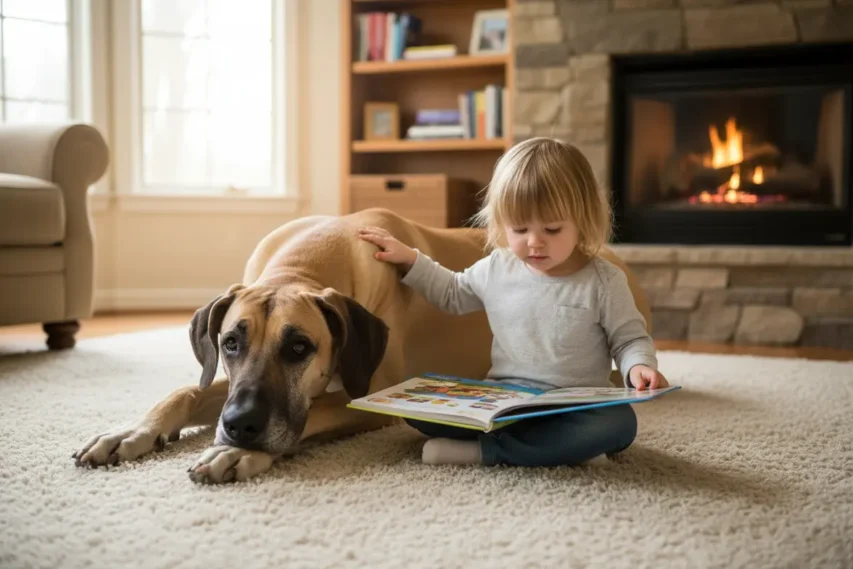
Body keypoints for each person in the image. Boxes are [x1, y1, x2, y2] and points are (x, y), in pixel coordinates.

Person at [357, 137, 668, 467]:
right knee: (418, 409)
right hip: (504, 402)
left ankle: (486, 451)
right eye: (519, 229)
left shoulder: (604, 281)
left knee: (618, 425)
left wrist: (639, 366)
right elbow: (451, 293)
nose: (534, 242)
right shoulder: (497, 267)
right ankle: (552, 449)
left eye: (552, 228)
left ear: (583, 220)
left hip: (571, 408)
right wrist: (410, 260)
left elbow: (629, 339)